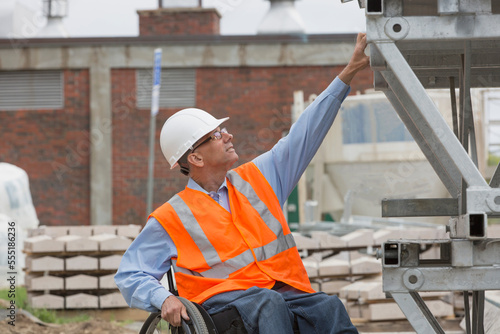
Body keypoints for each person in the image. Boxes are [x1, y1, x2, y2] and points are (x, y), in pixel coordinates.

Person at [115, 33, 369, 333]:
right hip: (221, 311)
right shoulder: (171, 217)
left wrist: (348, 73)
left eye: (224, 129)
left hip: (281, 295)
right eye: (217, 135)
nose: (228, 136)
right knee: (267, 303)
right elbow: (131, 274)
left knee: (328, 308)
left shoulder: (259, 178)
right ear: (195, 158)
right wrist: (163, 299)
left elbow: (305, 133)